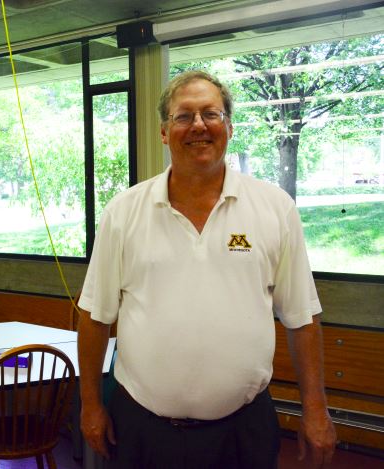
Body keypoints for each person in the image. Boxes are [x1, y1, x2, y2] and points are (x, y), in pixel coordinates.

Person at [77, 70, 336, 469]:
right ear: (164, 132)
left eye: (210, 114)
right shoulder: (124, 212)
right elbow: (95, 316)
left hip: (243, 432)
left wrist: (315, 409)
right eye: (184, 116)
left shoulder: (274, 207)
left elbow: (302, 317)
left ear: (228, 127)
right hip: (143, 429)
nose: (198, 125)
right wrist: (91, 405)